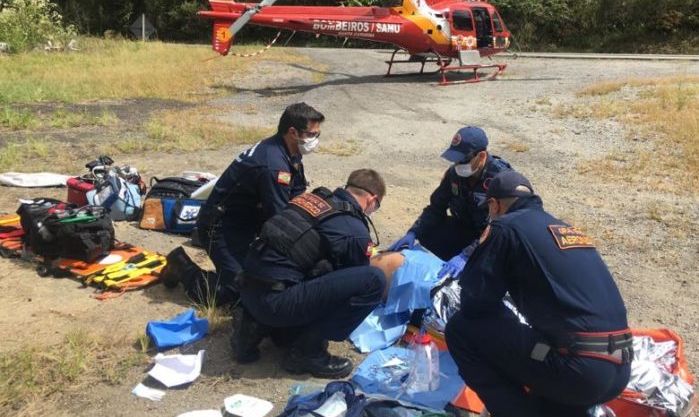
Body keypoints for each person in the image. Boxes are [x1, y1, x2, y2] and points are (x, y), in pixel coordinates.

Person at [445, 170, 632, 417]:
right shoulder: (564, 229)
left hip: (578, 369)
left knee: (461, 328)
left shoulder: (504, 227)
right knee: (542, 393)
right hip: (619, 368)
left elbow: (474, 302)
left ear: (494, 205)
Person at [162, 102, 325, 307]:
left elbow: (297, 195)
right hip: (221, 229)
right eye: (311, 135)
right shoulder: (274, 166)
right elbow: (280, 219)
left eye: (317, 134)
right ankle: (181, 266)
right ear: (293, 132)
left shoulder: (286, 150)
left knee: (261, 278)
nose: (315, 140)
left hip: (245, 224)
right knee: (240, 293)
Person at [232, 169, 390, 378]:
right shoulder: (354, 230)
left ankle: (252, 327)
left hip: (247, 290)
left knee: (312, 265)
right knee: (373, 280)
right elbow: (353, 280)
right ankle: (307, 353)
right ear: (372, 200)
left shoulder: (312, 199)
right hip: (276, 304)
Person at [388, 126, 512, 277]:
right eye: (455, 160)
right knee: (429, 231)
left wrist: (466, 255)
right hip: (465, 230)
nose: (458, 164)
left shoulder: (502, 181)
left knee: (484, 269)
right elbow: (436, 208)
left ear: (481, 156)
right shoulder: (455, 174)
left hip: (491, 241)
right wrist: (414, 232)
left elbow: (499, 229)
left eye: (463, 160)